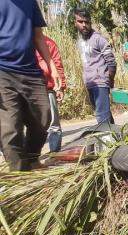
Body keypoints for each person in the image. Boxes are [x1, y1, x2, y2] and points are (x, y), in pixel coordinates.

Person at [0, 0, 61, 171]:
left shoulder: (29, 2)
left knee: (44, 117)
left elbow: (38, 36)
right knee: (10, 129)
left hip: (30, 71)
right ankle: (19, 174)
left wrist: (52, 67)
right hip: (3, 71)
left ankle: (32, 157)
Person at [74, 8, 117, 124]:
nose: (84, 25)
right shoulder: (80, 41)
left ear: (90, 23)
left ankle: (107, 139)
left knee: (102, 116)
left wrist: (109, 79)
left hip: (100, 82)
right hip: (90, 83)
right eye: (80, 22)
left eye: (86, 22)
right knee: (104, 114)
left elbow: (111, 62)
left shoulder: (98, 39)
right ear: (75, 22)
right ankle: (115, 137)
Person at [35, 36, 67, 153]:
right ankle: (32, 156)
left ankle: (54, 152)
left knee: (53, 124)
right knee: (33, 123)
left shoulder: (48, 43)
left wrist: (61, 87)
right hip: (30, 89)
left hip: (48, 88)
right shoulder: (22, 43)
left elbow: (58, 65)